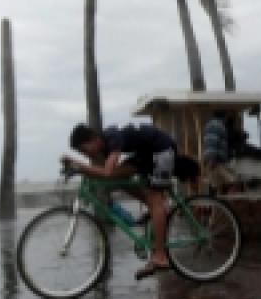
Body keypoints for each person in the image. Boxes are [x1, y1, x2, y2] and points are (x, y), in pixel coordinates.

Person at [63, 122, 176, 280]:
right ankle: (155, 208)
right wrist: (77, 168)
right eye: (81, 153)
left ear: (94, 139)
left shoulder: (111, 137)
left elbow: (107, 172)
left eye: (84, 150)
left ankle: (161, 256)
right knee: (118, 179)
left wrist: (79, 167)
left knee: (155, 200)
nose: (85, 155)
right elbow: (106, 174)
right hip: (146, 154)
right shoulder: (104, 147)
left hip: (161, 150)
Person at [202, 111, 238, 194]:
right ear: (224, 116)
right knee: (231, 181)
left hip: (214, 159)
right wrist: (212, 159)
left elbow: (210, 142)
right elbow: (213, 142)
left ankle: (216, 204)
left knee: (216, 184)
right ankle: (218, 204)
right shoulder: (217, 126)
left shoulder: (211, 125)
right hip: (217, 160)